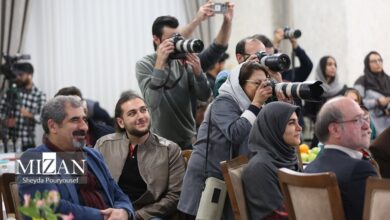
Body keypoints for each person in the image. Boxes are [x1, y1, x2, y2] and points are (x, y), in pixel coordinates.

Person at [178, 61, 273, 219]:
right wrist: (256, 103)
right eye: (257, 83)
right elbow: (234, 132)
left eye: (265, 83)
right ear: (239, 84)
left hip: (229, 177)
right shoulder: (224, 101)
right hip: (207, 177)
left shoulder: (253, 107)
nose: (262, 88)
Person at [136, 2, 234, 149]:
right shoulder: (144, 64)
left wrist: (198, 72)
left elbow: (204, 96)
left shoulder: (183, 61)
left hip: (189, 139)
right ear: (156, 39)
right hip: (161, 143)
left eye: (177, 37)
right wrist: (160, 64)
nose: (176, 42)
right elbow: (152, 102)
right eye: (171, 38)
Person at [17, 95, 134, 220]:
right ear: (52, 126)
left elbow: (119, 195)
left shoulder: (93, 156)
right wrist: (104, 217)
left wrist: (124, 212)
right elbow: (50, 208)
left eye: (84, 119)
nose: (84, 127)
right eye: (75, 120)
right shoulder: (37, 159)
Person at [95, 91, 185, 220]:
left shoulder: (170, 149)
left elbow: (176, 196)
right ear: (121, 122)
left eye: (143, 110)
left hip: (150, 215)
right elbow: (92, 185)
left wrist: (135, 216)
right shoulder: (103, 144)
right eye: (132, 113)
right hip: (113, 211)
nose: (141, 116)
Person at [304, 97, 378, 220]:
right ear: (335, 130)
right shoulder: (359, 170)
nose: (366, 126)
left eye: (365, 119)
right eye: (357, 120)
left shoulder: (310, 168)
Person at [243, 101, 302, 220]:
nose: (299, 128)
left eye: (297, 122)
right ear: (274, 127)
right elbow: (275, 216)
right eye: (291, 123)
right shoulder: (259, 168)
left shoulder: (288, 157)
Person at [0, 62, 46, 151]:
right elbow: (0, 111)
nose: (18, 78)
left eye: (21, 75)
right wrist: (5, 121)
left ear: (30, 75)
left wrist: (29, 114)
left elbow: (42, 118)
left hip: (27, 143)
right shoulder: (11, 92)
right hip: (9, 143)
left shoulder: (39, 94)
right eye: (17, 75)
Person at [304, 56, 347, 146]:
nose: (333, 67)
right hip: (319, 134)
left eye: (335, 65)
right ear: (322, 67)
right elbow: (307, 113)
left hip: (339, 133)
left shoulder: (343, 89)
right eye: (329, 64)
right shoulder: (313, 89)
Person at [354, 51, 390, 135]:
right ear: (367, 64)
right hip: (371, 127)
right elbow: (356, 103)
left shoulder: (388, 80)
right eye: (374, 61)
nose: (378, 63)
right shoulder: (361, 82)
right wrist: (377, 102)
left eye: (380, 60)